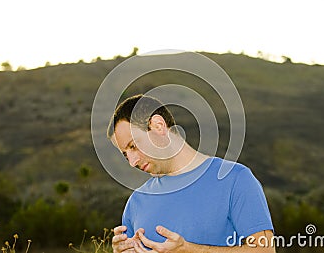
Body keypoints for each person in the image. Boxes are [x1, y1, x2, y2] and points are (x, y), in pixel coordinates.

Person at [107, 94, 275, 253]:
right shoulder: (136, 202)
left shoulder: (236, 179)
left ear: (158, 126)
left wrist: (188, 249)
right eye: (125, 154)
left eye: (133, 146)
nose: (132, 161)